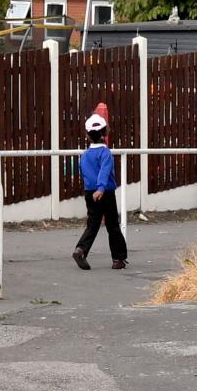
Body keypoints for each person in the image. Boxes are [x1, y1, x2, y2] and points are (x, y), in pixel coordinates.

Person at [71, 108, 127, 271]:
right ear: (105, 132)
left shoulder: (85, 154)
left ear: (88, 135)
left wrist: (91, 189)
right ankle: (118, 259)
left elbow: (84, 173)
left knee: (92, 224)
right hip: (106, 192)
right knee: (112, 225)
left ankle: (81, 250)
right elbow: (105, 170)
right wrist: (101, 187)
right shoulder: (105, 153)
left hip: (89, 192)